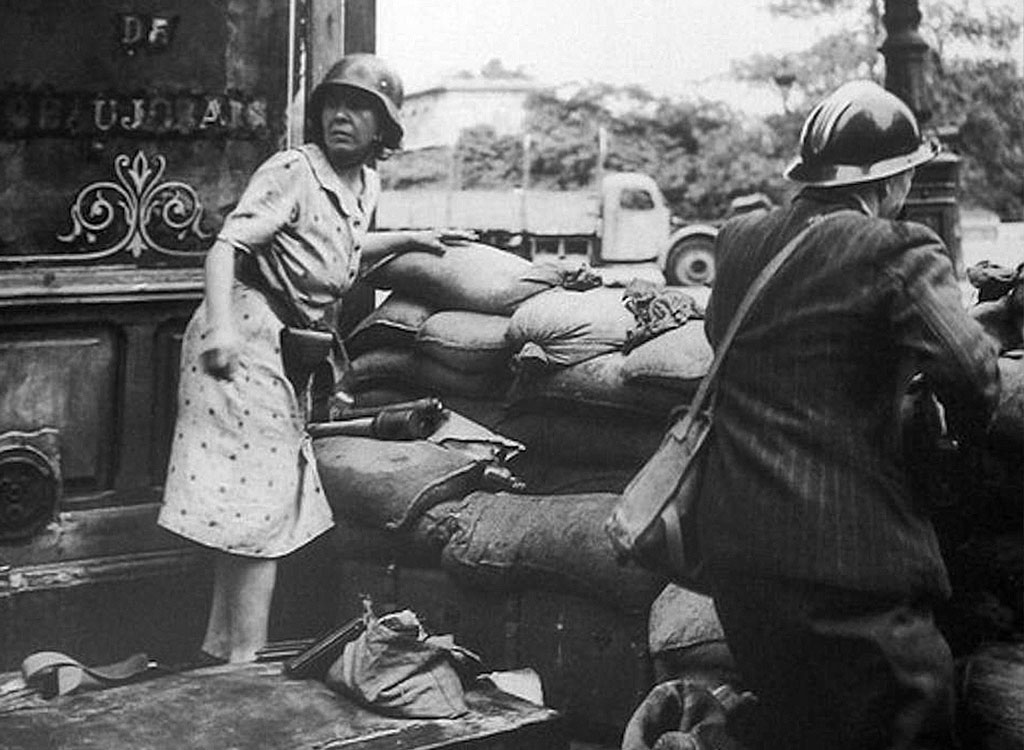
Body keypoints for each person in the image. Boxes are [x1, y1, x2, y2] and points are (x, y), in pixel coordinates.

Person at [696, 80, 1001, 749]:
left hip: (741, 561)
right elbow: (971, 374)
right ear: (894, 180)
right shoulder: (898, 247)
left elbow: (766, 346)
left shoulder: (741, 241)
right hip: (850, 574)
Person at [158, 54, 460, 664]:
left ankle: (225, 650)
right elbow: (224, 249)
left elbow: (334, 245)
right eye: (333, 104)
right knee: (261, 502)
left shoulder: (362, 184)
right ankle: (244, 657)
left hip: (284, 345)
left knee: (256, 502)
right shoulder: (293, 170)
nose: (341, 116)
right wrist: (220, 330)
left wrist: (408, 238)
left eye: (360, 108)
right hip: (241, 333)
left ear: (384, 130)